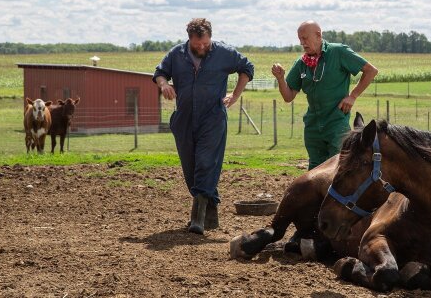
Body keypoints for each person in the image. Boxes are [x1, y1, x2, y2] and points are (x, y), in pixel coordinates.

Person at [153, 18, 254, 235]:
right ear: (189, 38)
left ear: (210, 37)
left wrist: (236, 94)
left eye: (205, 43)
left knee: (206, 162)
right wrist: (164, 84)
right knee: (191, 169)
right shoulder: (176, 54)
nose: (201, 47)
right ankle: (211, 211)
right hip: (185, 118)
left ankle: (197, 219)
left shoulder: (224, 53)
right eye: (197, 44)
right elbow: (160, 72)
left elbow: (247, 68)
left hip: (213, 117)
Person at [271, 20, 378, 170]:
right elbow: (288, 96)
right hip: (313, 126)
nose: (302, 43)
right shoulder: (301, 63)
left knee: (337, 166)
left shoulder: (338, 52)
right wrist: (281, 79)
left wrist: (352, 96)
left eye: (305, 38)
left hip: (336, 122)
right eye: (300, 39)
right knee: (315, 168)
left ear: (318, 35)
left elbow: (371, 70)